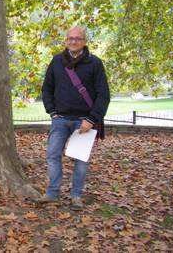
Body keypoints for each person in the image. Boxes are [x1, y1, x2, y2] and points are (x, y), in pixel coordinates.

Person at [40, 26, 110, 210]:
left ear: (84, 41)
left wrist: (91, 119)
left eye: (77, 38)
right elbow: (47, 89)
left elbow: (103, 95)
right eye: (70, 38)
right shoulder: (56, 61)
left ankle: (76, 196)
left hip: (84, 121)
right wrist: (52, 112)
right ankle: (52, 194)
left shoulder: (95, 63)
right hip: (60, 119)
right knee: (53, 155)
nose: (73, 41)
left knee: (80, 160)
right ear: (65, 41)